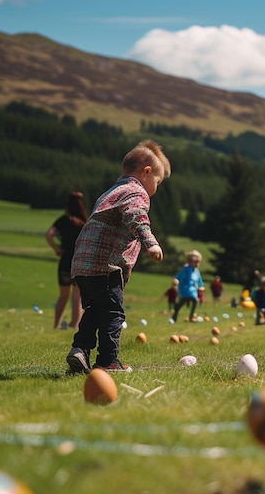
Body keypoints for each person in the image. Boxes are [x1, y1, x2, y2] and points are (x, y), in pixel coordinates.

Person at [66, 139, 171, 374]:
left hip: (82, 263)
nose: (155, 187)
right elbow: (136, 216)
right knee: (113, 313)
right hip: (106, 265)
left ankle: (79, 350)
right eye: (158, 181)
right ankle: (107, 361)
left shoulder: (110, 193)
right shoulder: (136, 192)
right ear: (146, 173)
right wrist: (151, 243)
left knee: (94, 309)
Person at [45, 191, 89, 330]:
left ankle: (56, 324)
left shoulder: (63, 220)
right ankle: (75, 326)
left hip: (65, 261)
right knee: (77, 297)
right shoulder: (85, 222)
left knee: (63, 296)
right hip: (79, 261)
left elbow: (49, 235)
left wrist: (56, 249)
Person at [171, 250, 205, 323]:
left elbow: (199, 280)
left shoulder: (196, 271)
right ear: (190, 261)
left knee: (195, 301)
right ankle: (175, 315)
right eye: (195, 262)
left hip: (193, 291)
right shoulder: (186, 269)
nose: (197, 264)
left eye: (198, 262)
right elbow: (178, 276)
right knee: (182, 303)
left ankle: (191, 316)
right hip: (185, 290)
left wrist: (201, 286)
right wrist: (176, 280)